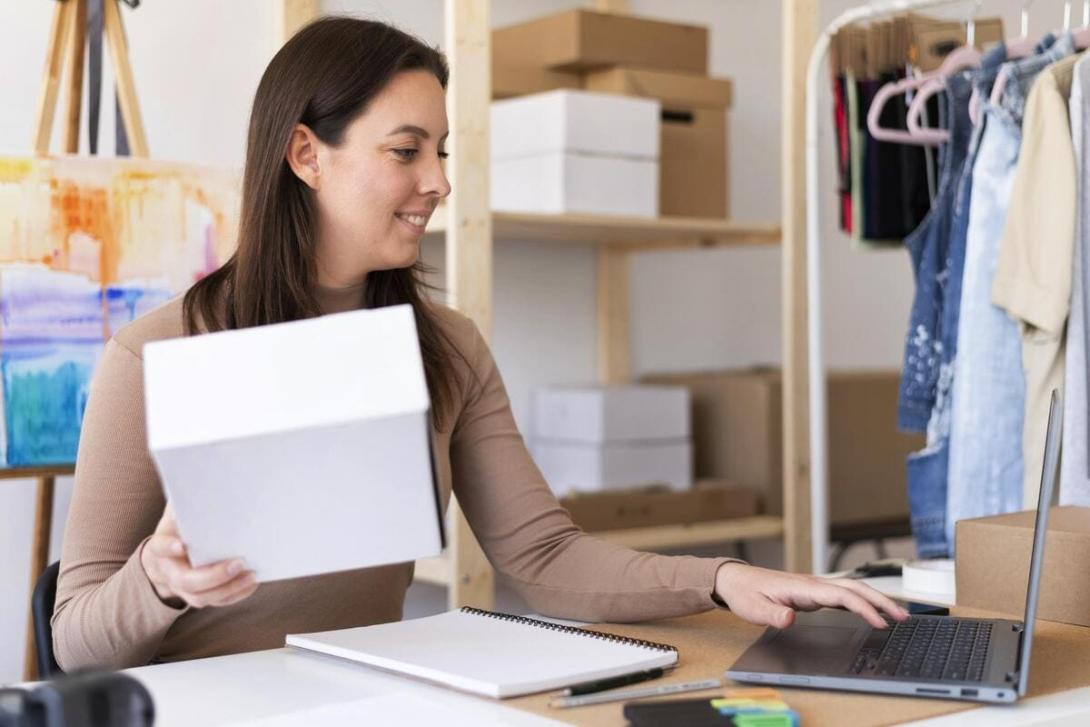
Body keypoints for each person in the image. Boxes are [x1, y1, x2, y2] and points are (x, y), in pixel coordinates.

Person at [53, 16, 907, 671]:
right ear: (306, 155)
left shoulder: (447, 348)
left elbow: (544, 556)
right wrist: (158, 578)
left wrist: (723, 579)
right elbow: (75, 638)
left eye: (443, 149)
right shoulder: (154, 356)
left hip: (363, 697)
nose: (440, 181)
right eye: (405, 150)